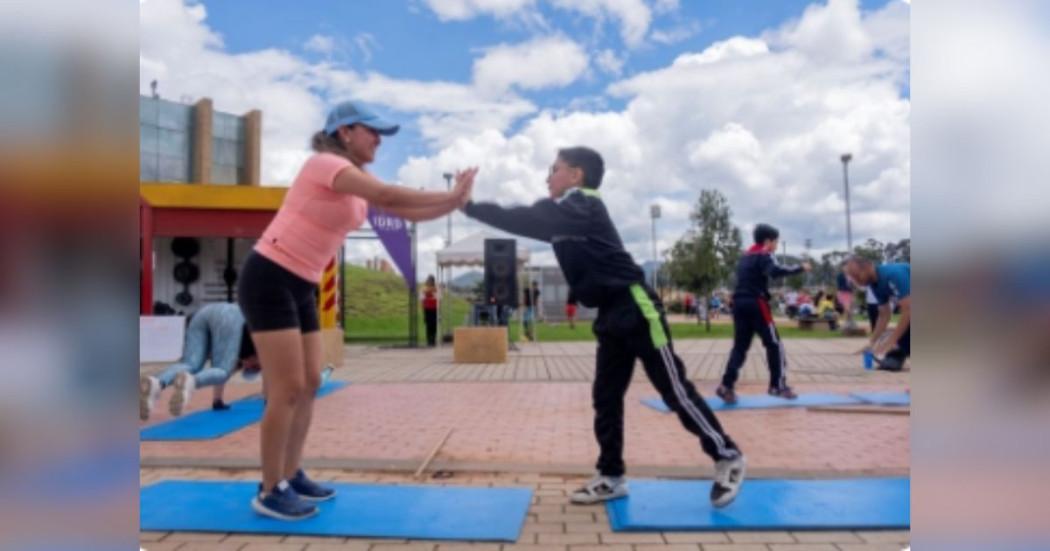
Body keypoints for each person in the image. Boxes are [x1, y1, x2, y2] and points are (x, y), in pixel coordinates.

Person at [461, 146, 746, 508]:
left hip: (637, 309)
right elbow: (526, 221)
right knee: (605, 398)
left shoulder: (584, 204)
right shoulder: (566, 218)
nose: (547, 177)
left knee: (674, 391)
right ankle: (611, 476)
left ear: (576, 175)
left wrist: (470, 206)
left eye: (554, 169)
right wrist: (469, 207)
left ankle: (728, 456)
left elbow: (532, 215)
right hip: (610, 315)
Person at [236, 100, 473, 521]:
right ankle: (270, 488)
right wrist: (450, 192)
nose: (379, 139)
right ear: (345, 131)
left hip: (302, 283)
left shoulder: (357, 180)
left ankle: (291, 474)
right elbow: (387, 194)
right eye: (373, 131)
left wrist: (454, 203)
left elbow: (399, 208)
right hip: (270, 274)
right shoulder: (324, 164)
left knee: (310, 382)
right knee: (286, 387)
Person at [716, 224, 812, 405]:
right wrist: (801, 268)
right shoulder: (764, 254)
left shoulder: (745, 256)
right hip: (756, 304)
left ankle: (726, 386)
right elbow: (775, 271)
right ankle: (778, 385)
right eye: (776, 242)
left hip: (739, 304)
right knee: (774, 344)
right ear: (768, 241)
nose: (776, 245)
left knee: (740, 347)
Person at [139, 302, 260, 421]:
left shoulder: (242, 353)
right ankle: (191, 381)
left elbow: (218, 367)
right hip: (230, 317)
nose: (247, 368)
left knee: (191, 364)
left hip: (204, 312)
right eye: (252, 367)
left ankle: (158, 382)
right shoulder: (260, 350)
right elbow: (271, 378)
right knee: (223, 370)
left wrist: (217, 401)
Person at [843, 257, 910, 370]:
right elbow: (884, 314)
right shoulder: (874, 284)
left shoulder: (893, 274)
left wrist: (891, 341)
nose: (856, 281)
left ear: (869, 266)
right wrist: (871, 343)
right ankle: (895, 356)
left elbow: (908, 309)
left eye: (857, 275)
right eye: (853, 278)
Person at [421, 275, 439, 347]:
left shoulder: (436, 288)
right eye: (429, 280)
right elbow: (421, 298)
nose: (430, 282)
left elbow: (438, 297)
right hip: (427, 308)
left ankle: (433, 340)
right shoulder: (424, 288)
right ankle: (429, 340)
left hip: (434, 308)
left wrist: (433, 293)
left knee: (434, 324)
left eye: (431, 280)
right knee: (428, 324)